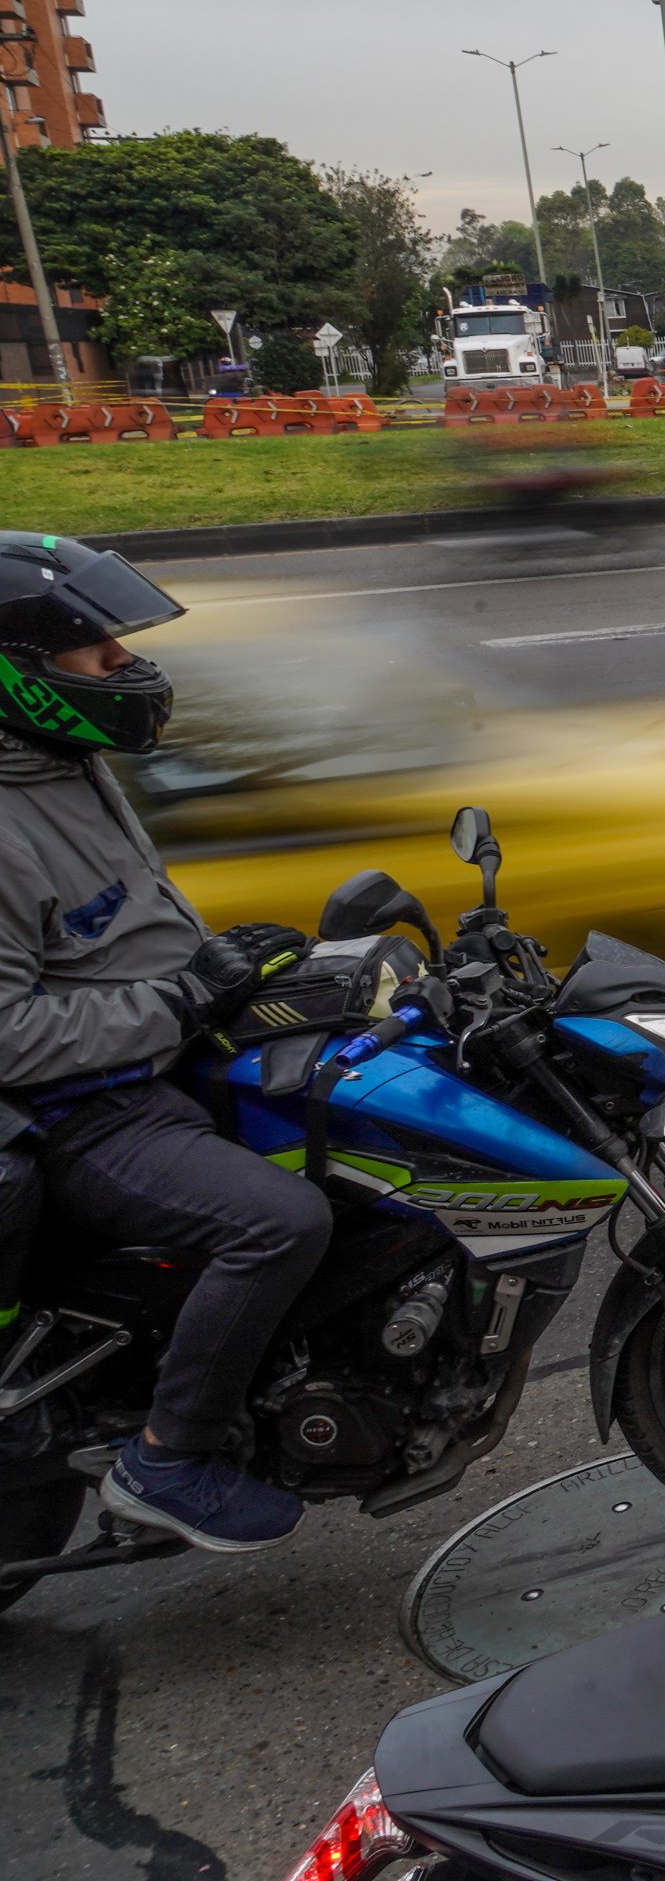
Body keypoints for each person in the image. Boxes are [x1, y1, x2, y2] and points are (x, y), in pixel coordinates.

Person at [0, 534, 328, 1554]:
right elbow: (10, 1033)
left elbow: (112, 929)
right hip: (85, 1106)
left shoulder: (61, 760)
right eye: (94, 648)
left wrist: (221, 968)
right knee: (280, 1220)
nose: (125, 664)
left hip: (160, 1051)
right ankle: (167, 1457)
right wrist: (179, 998)